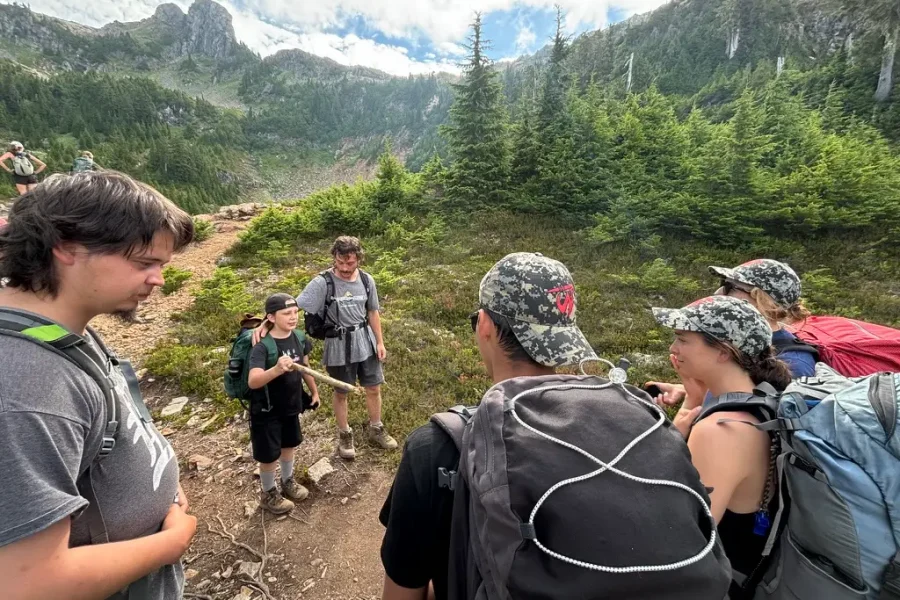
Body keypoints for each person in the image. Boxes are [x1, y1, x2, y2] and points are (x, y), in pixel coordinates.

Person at [379, 253, 731, 600]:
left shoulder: (435, 448)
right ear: (568, 331)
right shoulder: (638, 422)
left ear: (484, 325)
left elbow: (402, 592)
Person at [0, 171, 197, 599]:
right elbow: (29, 582)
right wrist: (171, 543)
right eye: (144, 262)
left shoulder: (60, 328)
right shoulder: (23, 390)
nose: (158, 280)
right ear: (68, 246)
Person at [652, 295, 793, 596]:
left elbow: (684, 534)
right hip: (752, 567)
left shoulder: (719, 431)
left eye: (682, 339)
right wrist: (693, 396)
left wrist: (667, 439)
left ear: (723, 351)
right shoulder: (764, 400)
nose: (673, 349)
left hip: (729, 583)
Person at [648, 258, 814, 407]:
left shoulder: (796, 364)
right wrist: (690, 391)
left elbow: (760, 428)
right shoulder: (738, 342)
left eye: (729, 287)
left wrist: (693, 405)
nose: (718, 293)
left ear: (764, 300)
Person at [293, 235, 397, 459]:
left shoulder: (367, 281)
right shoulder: (323, 282)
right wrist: (266, 323)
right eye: (340, 263)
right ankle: (344, 435)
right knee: (342, 392)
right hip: (338, 345)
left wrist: (379, 341)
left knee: (373, 387)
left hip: (365, 341)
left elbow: (372, 312)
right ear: (334, 258)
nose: (345, 268)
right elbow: (294, 306)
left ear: (359, 259)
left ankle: (376, 428)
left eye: (350, 263)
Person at [247, 293, 320, 514]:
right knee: (269, 454)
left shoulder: (298, 337)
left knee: (289, 445)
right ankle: (268, 493)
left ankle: (288, 480)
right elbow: (253, 381)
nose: (292, 317)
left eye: (295, 312)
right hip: (266, 410)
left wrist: (314, 391)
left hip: (291, 405)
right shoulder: (262, 346)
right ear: (270, 317)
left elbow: (305, 367)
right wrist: (276, 369)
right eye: (286, 313)